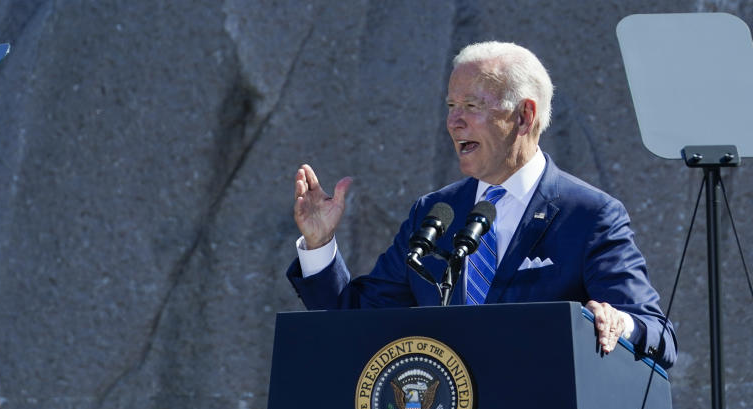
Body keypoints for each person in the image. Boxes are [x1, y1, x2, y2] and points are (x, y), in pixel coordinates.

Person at [288, 41, 677, 370]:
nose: (453, 122)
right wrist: (320, 245)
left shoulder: (589, 216)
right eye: (451, 105)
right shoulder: (434, 213)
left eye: (471, 106)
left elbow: (658, 333)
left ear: (524, 116)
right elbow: (356, 321)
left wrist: (619, 323)